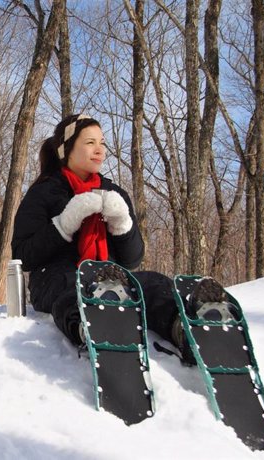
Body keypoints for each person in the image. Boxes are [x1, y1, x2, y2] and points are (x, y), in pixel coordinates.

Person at [12, 113, 190, 361]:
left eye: (102, 142)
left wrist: (122, 224)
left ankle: (182, 327)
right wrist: (64, 224)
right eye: (89, 142)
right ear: (66, 150)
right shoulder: (43, 192)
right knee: (73, 289)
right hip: (55, 279)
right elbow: (22, 255)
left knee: (152, 283)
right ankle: (89, 329)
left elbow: (132, 260)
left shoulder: (114, 193)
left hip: (111, 277)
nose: (99, 150)